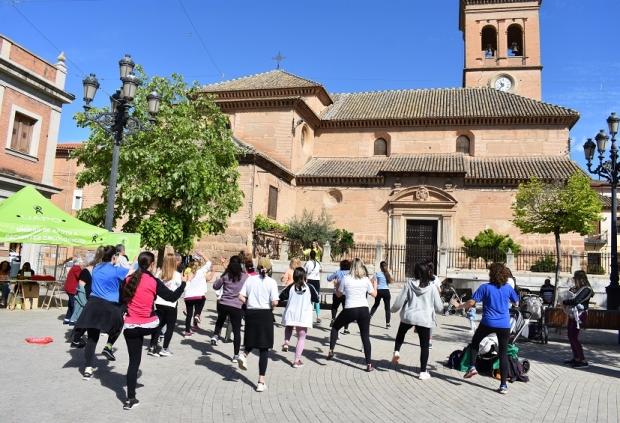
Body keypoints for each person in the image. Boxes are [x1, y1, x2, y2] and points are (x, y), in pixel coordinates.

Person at [122, 252, 187, 410]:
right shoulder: (153, 281)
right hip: (147, 325)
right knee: (161, 314)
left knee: (133, 363)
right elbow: (171, 298)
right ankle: (158, 342)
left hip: (129, 325)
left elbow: (122, 299)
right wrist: (184, 284)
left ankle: (130, 399)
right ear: (151, 265)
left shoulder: (129, 279)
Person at [451, 262, 519, 395]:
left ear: (491, 274)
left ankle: (471, 367)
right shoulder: (508, 288)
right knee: (503, 354)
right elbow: (516, 302)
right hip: (504, 324)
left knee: (475, 342)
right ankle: (503, 385)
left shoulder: (485, 287)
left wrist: (459, 306)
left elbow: (471, 303)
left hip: (488, 322)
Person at [74, 246, 138, 379]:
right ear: (114, 256)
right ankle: (108, 346)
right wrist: (134, 262)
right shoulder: (116, 271)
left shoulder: (96, 268)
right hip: (109, 306)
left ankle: (88, 369)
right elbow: (132, 272)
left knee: (92, 338)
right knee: (118, 326)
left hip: (93, 305)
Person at [390, 262, 443, 380]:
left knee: (401, 333)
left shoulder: (409, 284)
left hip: (409, 315)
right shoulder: (432, 287)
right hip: (424, 318)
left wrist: (392, 310)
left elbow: (399, 301)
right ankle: (423, 371)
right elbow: (439, 307)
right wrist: (442, 310)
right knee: (424, 346)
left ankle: (396, 351)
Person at [327, 258, 378, 372]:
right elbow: (374, 294)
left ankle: (331, 350)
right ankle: (369, 364)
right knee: (365, 336)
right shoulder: (365, 279)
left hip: (350, 308)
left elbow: (339, 295)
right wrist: (375, 285)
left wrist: (336, 285)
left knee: (335, 327)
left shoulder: (346, 279)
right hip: (364, 309)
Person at [237, 265, 279, 392]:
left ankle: (244, 354)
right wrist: (272, 306)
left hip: (251, 312)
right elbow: (275, 302)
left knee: (251, 338)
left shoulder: (250, 279)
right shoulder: (271, 282)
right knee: (264, 348)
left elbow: (240, 296)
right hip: (265, 313)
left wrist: (249, 303)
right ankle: (261, 381)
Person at [210, 256, 249, 363]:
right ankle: (236, 355)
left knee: (220, 319)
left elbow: (215, 286)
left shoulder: (226, 276)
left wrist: (218, 279)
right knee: (236, 331)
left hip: (224, 303)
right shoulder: (245, 277)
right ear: (241, 264)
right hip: (236, 306)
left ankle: (215, 335)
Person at [280, 267, 319, 368]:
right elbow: (316, 298)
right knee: (301, 338)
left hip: (291, 313)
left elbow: (281, 296)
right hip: (303, 315)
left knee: (289, 326)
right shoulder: (310, 287)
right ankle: (296, 360)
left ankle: (286, 342)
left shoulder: (290, 287)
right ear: (305, 276)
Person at [154, 253, 185, 356]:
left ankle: (153, 346)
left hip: (159, 302)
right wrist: (186, 281)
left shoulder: (159, 273)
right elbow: (181, 288)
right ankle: (165, 348)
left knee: (159, 324)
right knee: (170, 326)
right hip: (171, 303)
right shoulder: (176, 275)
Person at [70, 250, 102, 348]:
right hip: (86, 300)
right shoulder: (85, 271)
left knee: (88, 321)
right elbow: (81, 287)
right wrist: (84, 302)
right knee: (85, 321)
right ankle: (76, 339)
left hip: (93, 299)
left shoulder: (96, 271)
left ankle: (78, 339)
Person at [562, 270, 593, 369]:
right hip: (574, 314)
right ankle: (576, 358)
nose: (574, 280)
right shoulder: (580, 288)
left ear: (580, 279)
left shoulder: (586, 289)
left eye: (575, 278)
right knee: (570, 335)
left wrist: (565, 301)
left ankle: (583, 360)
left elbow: (576, 300)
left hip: (579, 314)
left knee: (574, 336)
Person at [182, 251, 213, 337]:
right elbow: (209, 263)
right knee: (203, 299)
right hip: (198, 296)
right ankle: (197, 314)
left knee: (189, 315)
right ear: (199, 265)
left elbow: (186, 285)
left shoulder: (189, 273)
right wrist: (202, 254)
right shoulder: (202, 271)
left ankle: (187, 332)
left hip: (188, 297)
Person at [326, 259, 351, 333]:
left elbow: (329, 278)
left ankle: (333, 318)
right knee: (346, 310)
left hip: (337, 292)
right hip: (346, 293)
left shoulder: (337, 272)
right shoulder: (350, 274)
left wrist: (328, 275)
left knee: (334, 307)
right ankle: (346, 328)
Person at [370, 261, 393, 329]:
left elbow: (371, 280)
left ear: (380, 267)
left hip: (379, 291)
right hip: (386, 291)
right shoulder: (388, 274)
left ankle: (369, 317)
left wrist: (374, 286)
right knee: (387, 308)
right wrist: (390, 272)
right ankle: (388, 324)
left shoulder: (377, 274)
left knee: (376, 304)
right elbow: (392, 280)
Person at [304, 250, 323, 324]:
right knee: (317, 298)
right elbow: (321, 270)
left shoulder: (307, 263)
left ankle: (308, 315)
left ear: (309, 255)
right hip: (316, 280)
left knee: (308, 298)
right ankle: (318, 316)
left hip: (309, 280)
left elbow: (304, 271)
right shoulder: (318, 263)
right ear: (315, 255)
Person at [63, 258, 84, 325]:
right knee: (74, 304)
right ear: (79, 263)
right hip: (72, 289)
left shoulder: (74, 268)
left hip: (70, 288)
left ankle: (67, 318)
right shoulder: (76, 269)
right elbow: (80, 276)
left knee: (70, 304)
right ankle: (73, 319)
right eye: (82, 262)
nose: (83, 263)